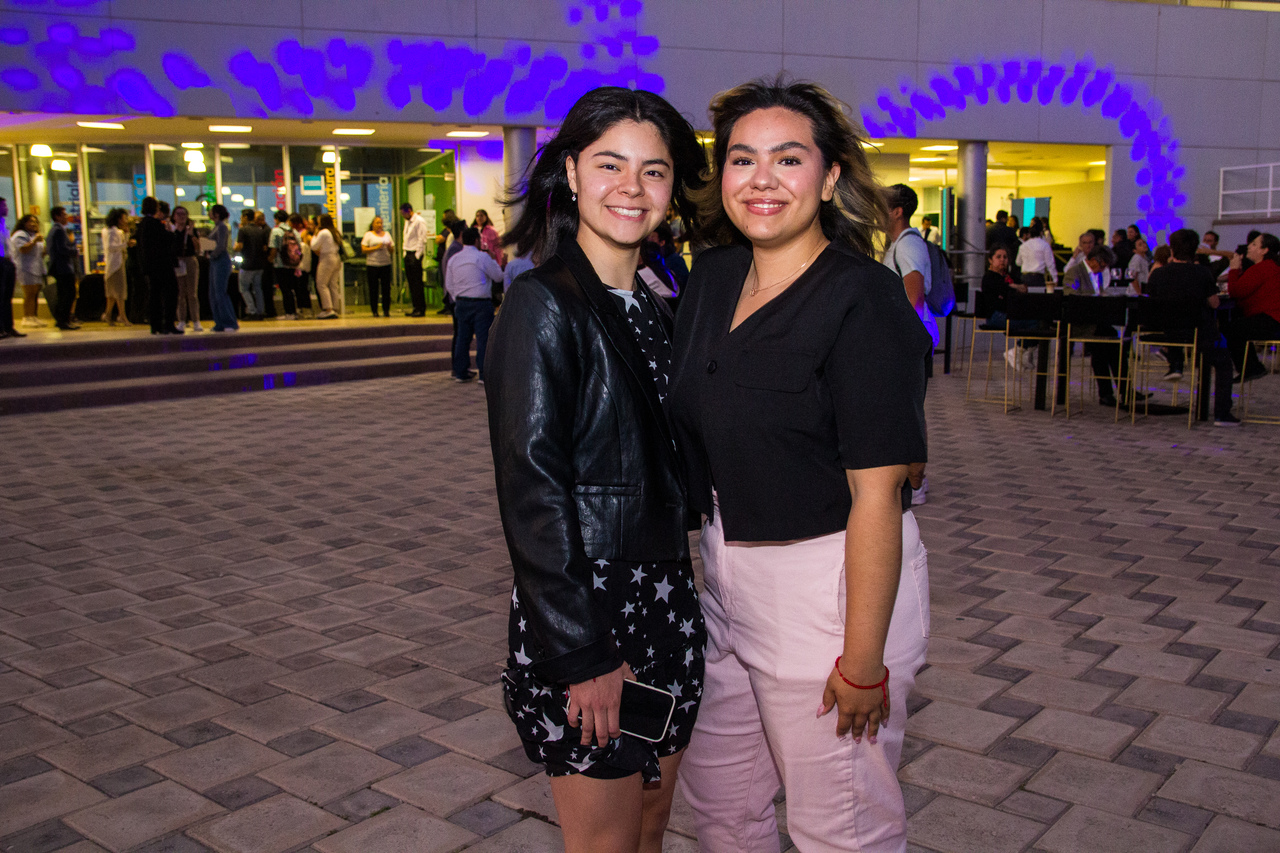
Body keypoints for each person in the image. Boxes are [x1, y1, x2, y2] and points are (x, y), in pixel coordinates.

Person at [667, 77, 931, 853]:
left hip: (830, 584)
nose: (762, 179)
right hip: (726, 569)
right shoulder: (712, 278)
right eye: (742, 158)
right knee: (721, 806)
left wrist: (862, 660)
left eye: (788, 159)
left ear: (829, 177)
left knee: (841, 827)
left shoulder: (862, 299)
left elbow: (880, 494)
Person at [485, 85, 707, 853]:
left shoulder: (658, 300)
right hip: (590, 607)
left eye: (653, 170)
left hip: (666, 601)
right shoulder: (542, 302)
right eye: (611, 164)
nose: (631, 187)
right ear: (573, 172)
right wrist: (583, 651)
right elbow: (531, 488)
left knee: (651, 825)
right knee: (606, 842)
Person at [1145, 228, 1237, 425]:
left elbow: (1151, 300)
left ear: (1171, 250)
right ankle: (1222, 413)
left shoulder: (1158, 274)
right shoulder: (1202, 273)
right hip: (1199, 332)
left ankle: (1175, 362)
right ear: (1195, 250)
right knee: (1224, 362)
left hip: (1166, 333)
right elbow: (1214, 303)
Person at [444, 226, 503, 381]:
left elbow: (449, 284)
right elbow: (498, 276)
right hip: (481, 303)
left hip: (461, 302)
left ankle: (461, 372)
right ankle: (483, 374)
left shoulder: (454, 259)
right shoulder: (482, 257)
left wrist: (458, 297)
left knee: (462, 338)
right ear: (477, 240)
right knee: (483, 339)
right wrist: (493, 259)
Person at [882, 183, 937, 347]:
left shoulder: (908, 245)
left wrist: (904, 340)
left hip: (906, 338)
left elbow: (915, 299)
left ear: (897, 212)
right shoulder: (901, 243)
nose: (877, 214)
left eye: (882, 207)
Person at [1225, 232, 1280, 382]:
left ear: (1264, 250)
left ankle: (1251, 368)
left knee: (1232, 329)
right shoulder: (1271, 267)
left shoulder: (1263, 268)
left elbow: (1236, 292)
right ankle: (1251, 367)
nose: (1249, 246)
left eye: (1254, 244)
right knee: (1236, 324)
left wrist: (1234, 269)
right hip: (1272, 318)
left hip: (1272, 320)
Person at [137, 196, 179, 334]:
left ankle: (155, 325)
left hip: (150, 265)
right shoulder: (155, 224)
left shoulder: (142, 224)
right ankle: (168, 323)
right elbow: (167, 240)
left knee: (154, 294)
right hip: (162, 264)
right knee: (170, 293)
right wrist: (171, 233)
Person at [206, 204, 237, 333]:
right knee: (213, 293)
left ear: (216, 214)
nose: (208, 213)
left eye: (211, 211)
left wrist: (212, 254)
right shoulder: (217, 227)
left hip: (220, 261)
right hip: (215, 261)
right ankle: (219, 322)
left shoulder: (222, 227)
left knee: (220, 292)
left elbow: (221, 245)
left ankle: (229, 322)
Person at [47, 206, 79, 331]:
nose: (67, 217)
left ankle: (61, 319)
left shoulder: (54, 230)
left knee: (62, 294)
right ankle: (64, 320)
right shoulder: (59, 230)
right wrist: (74, 250)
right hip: (63, 268)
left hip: (59, 267)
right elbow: (62, 249)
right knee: (69, 293)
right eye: (64, 215)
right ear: (57, 216)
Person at [10, 214, 45, 328]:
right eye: (31, 221)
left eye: (35, 222)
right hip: (25, 268)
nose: (34, 224)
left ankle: (33, 316)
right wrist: (34, 241)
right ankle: (27, 317)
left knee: (35, 293)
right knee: (29, 293)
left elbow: (40, 252)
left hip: (36, 268)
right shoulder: (20, 235)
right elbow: (23, 249)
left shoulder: (34, 235)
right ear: (24, 223)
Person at [170, 206, 201, 332]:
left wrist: (191, 234)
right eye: (179, 214)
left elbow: (198, 248)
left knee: (192, 293)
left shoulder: (191, 230)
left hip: (189, 260)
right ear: (174, 216)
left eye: (184, 214)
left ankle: (196, 320)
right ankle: (181, 320)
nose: (182, 216)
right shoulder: (172, 230)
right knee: (180, 293)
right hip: (177, 261)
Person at [234, 210, 268, 320]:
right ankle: (260, 311)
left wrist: (234, 248)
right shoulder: (260, 230)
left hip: (247, 264)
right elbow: (265, 247)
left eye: (241, 217)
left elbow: (239, 246)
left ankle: (252, 311)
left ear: (245, 217)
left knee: (243, 288)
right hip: (260, 264)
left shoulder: (243, 230)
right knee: (258, 288)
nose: (240, 219)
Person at [102, 208, 131, 326]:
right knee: (119, 292)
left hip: (111, 264)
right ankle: (122, 316)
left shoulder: (107, 231)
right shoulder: (114, 232)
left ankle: (108, 314)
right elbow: (111, 247)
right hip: (116, 264)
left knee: (111, 293)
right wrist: (125, 243)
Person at [311, 213, 343, 319]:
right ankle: (335, 308)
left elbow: (314, 246)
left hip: (326, 259)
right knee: (333, 284)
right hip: (336, 258)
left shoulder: (323, 232)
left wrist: (314, 235)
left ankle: (328, 309)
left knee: (321, 284)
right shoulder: (335, 232)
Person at [361, 216, 394, 317]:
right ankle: (374, 310)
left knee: (386, 288)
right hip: (373, 265)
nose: (379, 225)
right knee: (373, 288)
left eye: (381, 223)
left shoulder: (387, 234)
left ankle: (386, 309)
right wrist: (376, 247)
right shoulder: (368, 235)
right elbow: (364, 249)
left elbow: (392, 250)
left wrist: (389, 246)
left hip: (385, 264)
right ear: (373, 224)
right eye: (377, 223)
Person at [401, 202, 428, 316]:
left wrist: (417, 255)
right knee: (411, 283)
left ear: (409, 211)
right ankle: (415, 307)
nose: (403, 216)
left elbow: (422, 238)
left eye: (404, 213)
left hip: (414, 253)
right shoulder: (407, 222)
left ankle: (420, 308)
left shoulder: (419, 221)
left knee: (417, 283)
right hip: (408, 252)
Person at [0, 197, 22, 339]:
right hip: (1, 262)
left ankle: (9, 327)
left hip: (8, 263)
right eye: (3, 206)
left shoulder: (3, 224)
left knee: (7, 297)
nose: (6, 208)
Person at [1014, 219, 1057, 290]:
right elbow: (1050, 264)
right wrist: (1055, 278)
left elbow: (1018, 262)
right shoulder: (1045, 245)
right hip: (1038, 278)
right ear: (1041, 233)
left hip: (1024, 277)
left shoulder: (1023, 246)